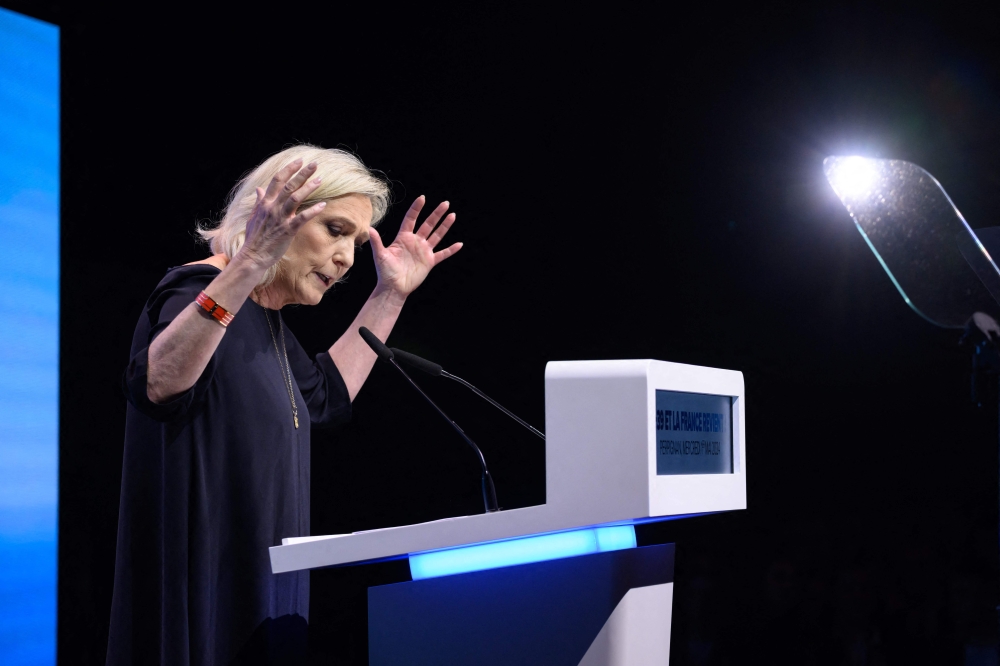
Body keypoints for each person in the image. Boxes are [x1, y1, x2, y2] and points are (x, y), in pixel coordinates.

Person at [106, 144, 461, 664]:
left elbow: (323, 397)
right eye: (336, 231)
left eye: (356, 245)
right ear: (274, 212)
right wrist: (249, 260)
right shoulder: (197, 290)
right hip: (208, 600)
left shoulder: (264, 322)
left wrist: (390, 295)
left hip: (262, 595)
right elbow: (158, 383)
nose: (345, 259)